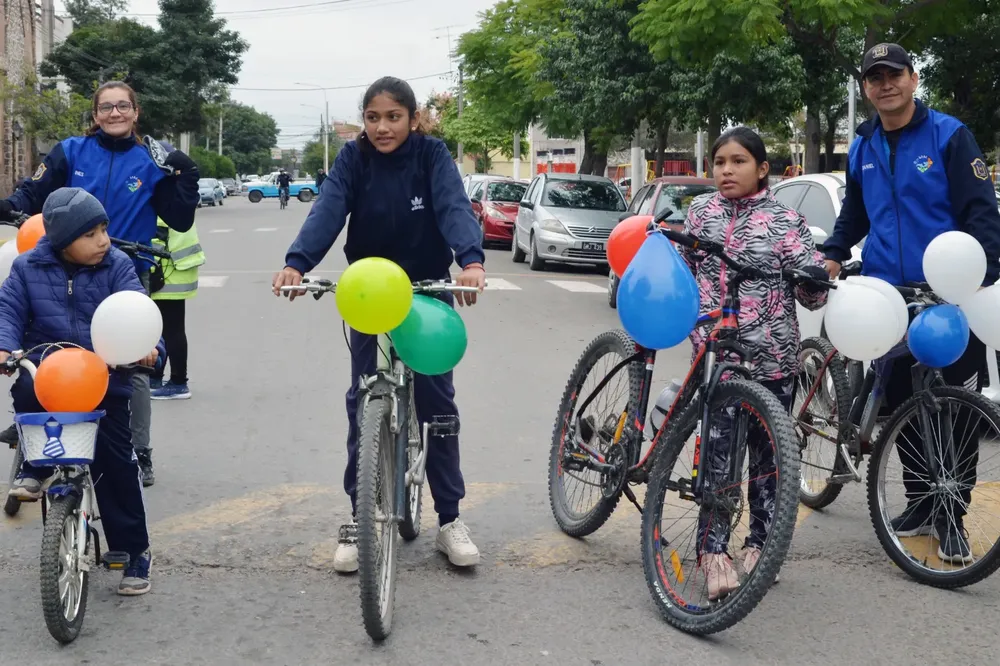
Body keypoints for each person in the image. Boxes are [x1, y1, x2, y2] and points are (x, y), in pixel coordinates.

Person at [272, 76, 486, 573]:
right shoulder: (353, 159)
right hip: (369, 290)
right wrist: (296, 263)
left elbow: (454, 207)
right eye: (373, 117)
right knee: (363, 399)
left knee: (438, 406)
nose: (383, 127)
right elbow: (328, 209)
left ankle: (449, 519)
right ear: (363, 121)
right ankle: (357, 516)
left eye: (393, 117)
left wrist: (471, 261)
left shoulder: (432, 156)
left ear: (413, 119)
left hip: (426, 289)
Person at [823, 43, 1000, 564]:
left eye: (893, 74)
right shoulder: (862, 146)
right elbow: (854, 215)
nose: (885, 85)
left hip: (950, 296)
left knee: (950, 410)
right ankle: (922, 501)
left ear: (913, 78)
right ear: (866, 87)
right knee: (902, 403)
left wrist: (982, 273)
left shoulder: (949, 135)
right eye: (874, 77)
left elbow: (981, 214)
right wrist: (833, 252)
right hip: (888, 299)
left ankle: (951, 512)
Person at [0, 81, 200, 486]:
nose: (114, 114)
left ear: (135, 112)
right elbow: (34, 193)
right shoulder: (71, 151)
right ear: (95, 115)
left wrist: (187, 175)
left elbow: (179, 217)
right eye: (105, 107)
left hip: (125, 269)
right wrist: (11, 208)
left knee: (132, 366)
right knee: (41, 347)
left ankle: (137, 450)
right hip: (62, 266)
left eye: (122, 106)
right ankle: (39, 438)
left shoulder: (151, 159)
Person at [681, 127, 828, 600]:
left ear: (762, 169)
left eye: (739, 161)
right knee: (719, 458)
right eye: (720, 161)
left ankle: (760, 545)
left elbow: (811, 294)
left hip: (773, 360)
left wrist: (813, 275)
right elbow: (684, 272)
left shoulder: (787, 222)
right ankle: (712, 550)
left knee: (770, 462)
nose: (726, 169)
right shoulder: (700, 214)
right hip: (716, 357)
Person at [0, 187, 164, 595]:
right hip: (48, 369)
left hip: (105, 375)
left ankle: (133, 551)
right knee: (26, 387)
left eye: (104, 229)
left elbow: (137, 308)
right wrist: (4, 346)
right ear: (61, 240)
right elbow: (8, 311)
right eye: (90, 234)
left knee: (115, 465)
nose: (103, 241)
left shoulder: (117, 265)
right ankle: (34, 467)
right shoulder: (26, 268)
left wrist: (149, 348)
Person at [150, 215, 205, 400]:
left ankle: (178, 383)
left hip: (168, 273)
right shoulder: (177, 202)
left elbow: (153, 242)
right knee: (165, 329)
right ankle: (156, 377)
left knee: (169, 330)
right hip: (177, 270)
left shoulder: (162, 208)